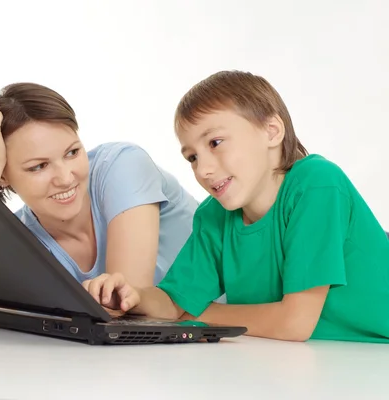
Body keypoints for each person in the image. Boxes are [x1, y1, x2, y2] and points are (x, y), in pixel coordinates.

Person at [85, 70, 389, 343]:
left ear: (272, 131)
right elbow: (173, 302)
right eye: (192, 157)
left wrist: (200, 315)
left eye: (215, 143)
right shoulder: (213, 215)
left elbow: (294, 324)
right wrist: (132, 298)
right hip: (317, 363)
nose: (202, 169)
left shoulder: (317, 184)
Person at [0, 82, 200, 314]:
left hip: (232, 326)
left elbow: (125, 302)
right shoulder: (24, 238)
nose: (65, 177)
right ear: (3, 176)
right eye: (38, 166)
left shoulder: (123, 167)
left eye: (72, 152)